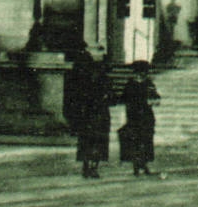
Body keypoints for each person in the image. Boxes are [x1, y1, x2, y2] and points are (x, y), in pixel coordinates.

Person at [63, 46, 114, 178]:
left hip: (94, 112)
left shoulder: (99, 76)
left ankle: (89, 167)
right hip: (92, 112)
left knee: (92, 140)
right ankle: (90, 167)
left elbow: (110, 95)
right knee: (92, 140)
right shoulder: (86, 77)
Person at [119, 60, 163, 177]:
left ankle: (144, 164)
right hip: (134, 115)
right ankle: (136, 165)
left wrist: (154, 100)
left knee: (146, 140)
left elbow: (156, 97)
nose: (143, 74)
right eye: (141, 72)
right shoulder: (131, 84)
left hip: (146, 115)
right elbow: (124, 98)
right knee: (136, 140)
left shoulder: (148, 83)